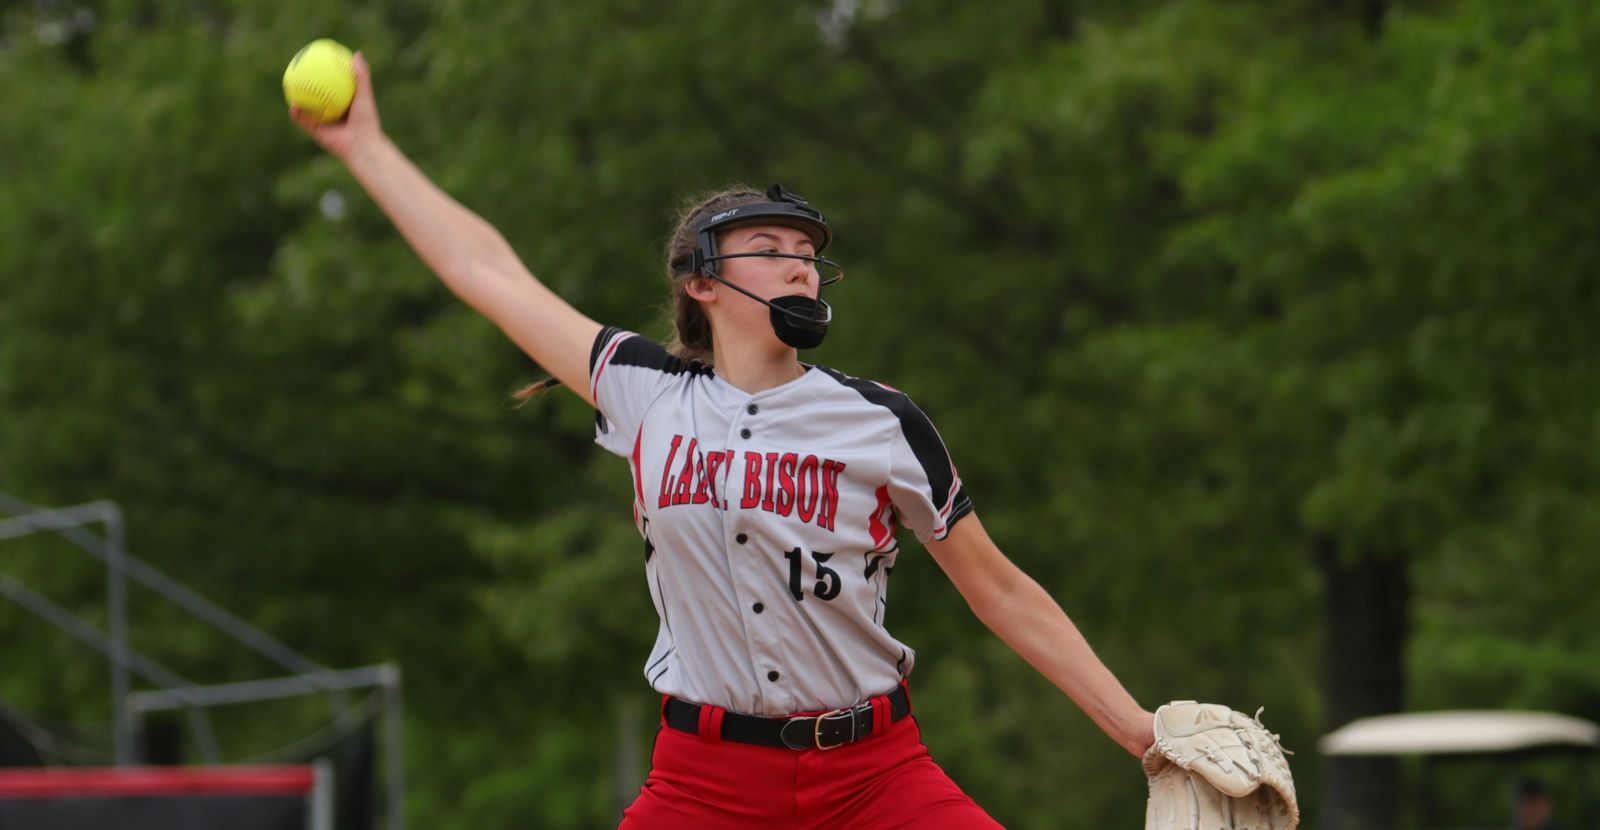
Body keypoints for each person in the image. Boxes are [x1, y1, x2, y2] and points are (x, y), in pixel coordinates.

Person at [289, 52, 1155, 829]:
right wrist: (366, 149)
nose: (799, 265)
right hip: (704, 786)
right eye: (770, 248)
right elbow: (484, 270)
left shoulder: (879, 421)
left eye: (810, 255)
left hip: (873, 779)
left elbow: (1001, 592)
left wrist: (1143, 736)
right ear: (701, 279)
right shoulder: (643, 392)